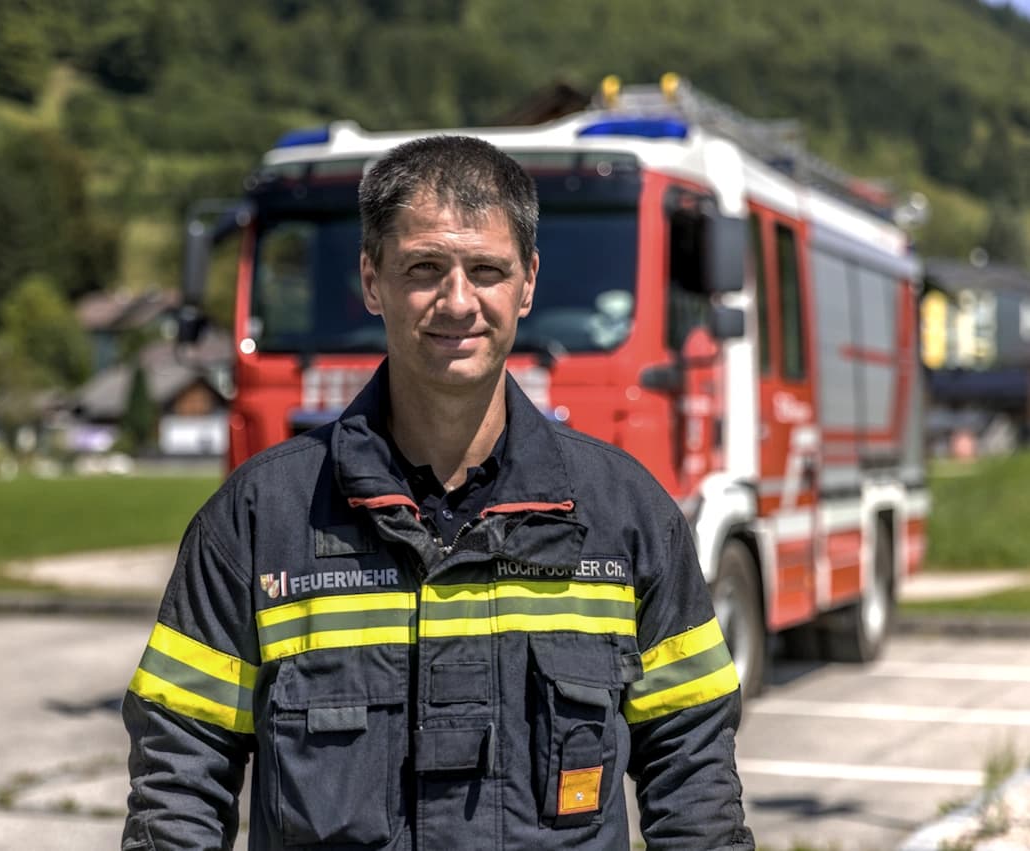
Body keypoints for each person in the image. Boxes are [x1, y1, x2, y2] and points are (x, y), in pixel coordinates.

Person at [122, 135, 755, 850]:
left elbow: (693, 775)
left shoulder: (627, 516)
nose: (458, 302)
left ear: (527, 283)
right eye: (425, 268)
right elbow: (178, 774)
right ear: (371, 280)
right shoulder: (256, 521)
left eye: (486, 270)